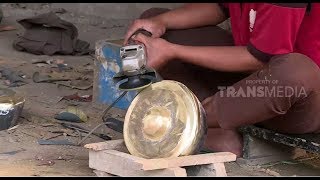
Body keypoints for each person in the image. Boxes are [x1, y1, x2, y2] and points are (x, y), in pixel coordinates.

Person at [124, 3, 320, 157]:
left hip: (296, 102)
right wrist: (161, 21)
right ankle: (218, 131)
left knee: (294, 71)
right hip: (246, 89)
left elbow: (259, 59)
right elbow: (219, 7)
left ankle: (190, 121)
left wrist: (171, 51)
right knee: (151, 25)